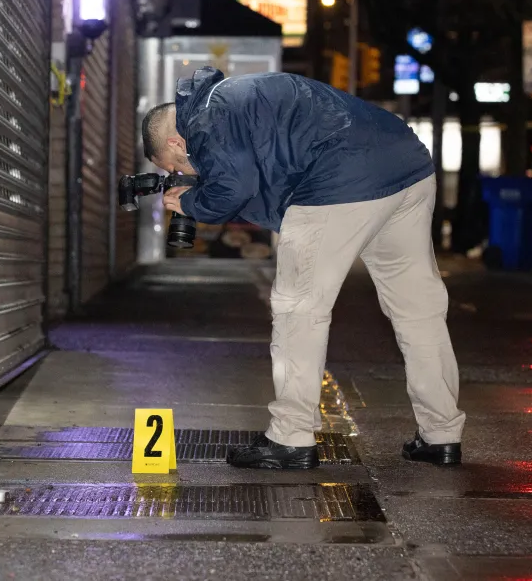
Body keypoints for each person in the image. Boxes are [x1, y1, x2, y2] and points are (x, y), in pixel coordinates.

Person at [142, 67, 466, 469]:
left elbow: (234, 188)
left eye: (179, 165)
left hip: (341, 179)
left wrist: (189, 204)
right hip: (408, 166)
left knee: (299, 310)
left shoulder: (205, 119)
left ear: (176, 140)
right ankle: (441, 435)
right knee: (419, 312)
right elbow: (270, 192)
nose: (189, 171)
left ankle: (291, 438)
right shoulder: (236, 98)